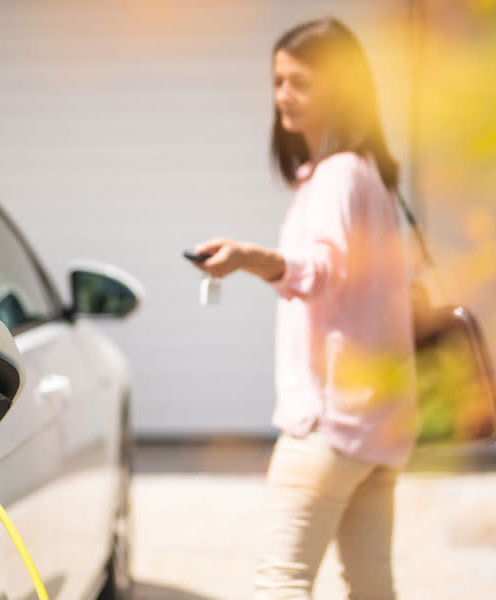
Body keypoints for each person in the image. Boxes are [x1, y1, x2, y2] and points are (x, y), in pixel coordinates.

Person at [189, 18, 417, 600]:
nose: (282, 96)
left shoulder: (340, 176)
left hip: (328, 422)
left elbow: (321, 271)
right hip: (378, 425)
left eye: (300, 83)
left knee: (280, 583)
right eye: (277, 81)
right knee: (371, 586)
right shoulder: (370, 174)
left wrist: (246, 257)